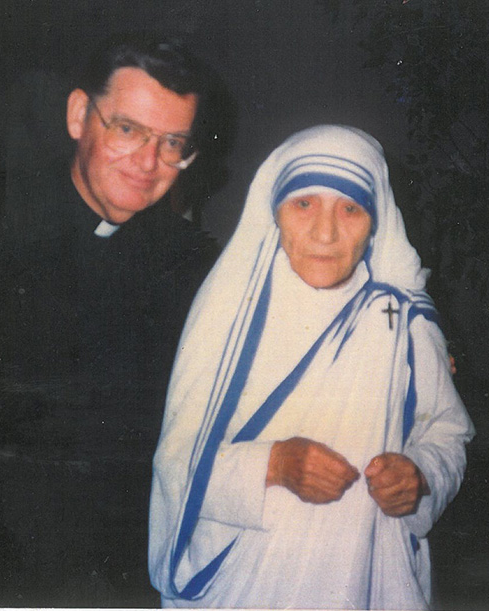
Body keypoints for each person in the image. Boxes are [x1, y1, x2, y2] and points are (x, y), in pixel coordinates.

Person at [148, 125, 475, 609]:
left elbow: (448, 432)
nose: (326, 232)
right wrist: (272, 464)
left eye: (350, 208)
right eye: (304, 204)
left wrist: (422, 475)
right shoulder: (229, 316)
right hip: (252, 585)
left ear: (374, 221)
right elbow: (175, 464)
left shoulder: (399, 318)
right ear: (274, 212)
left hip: (370, 583)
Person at [0, 33, 220, 606]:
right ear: (78, 116)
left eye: (173, 144)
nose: (148, 164)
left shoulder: (192, 262)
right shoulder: (4, 226)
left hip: (128, 566)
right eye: (128, 130)